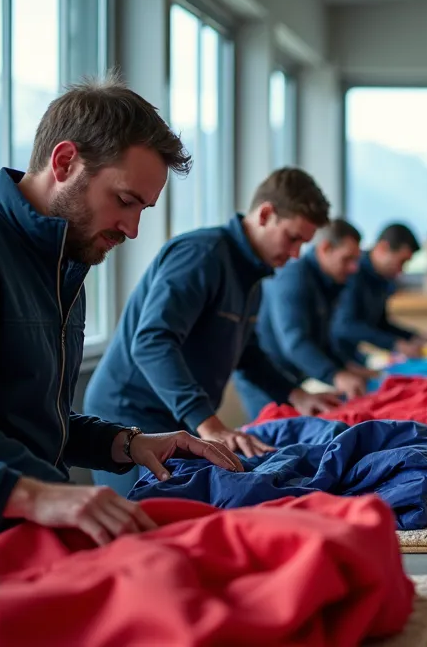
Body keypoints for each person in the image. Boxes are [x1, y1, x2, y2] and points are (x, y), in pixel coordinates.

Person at [0, 75, 242, 556]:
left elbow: (37, 423)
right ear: (64, 162)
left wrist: (127, 443)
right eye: (124, 201)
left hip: (34, 525)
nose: (133, 229)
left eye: (143, 209)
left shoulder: (65, 262)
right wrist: (59, 496)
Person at [85, 167, 342, 496]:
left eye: (302, 245)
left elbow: (247, 355)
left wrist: (297, 395)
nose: (295, 255)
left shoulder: (253, 279)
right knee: (140, 526)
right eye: (293, 238)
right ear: (265, 214)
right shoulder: (202, 255)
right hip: (127, 416)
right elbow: (151, 343)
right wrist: (210, 425)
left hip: (176, 419)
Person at [235, 218, 375, 420]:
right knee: (273, 437)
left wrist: (346, 367)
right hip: (266, 376)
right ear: (325, 248)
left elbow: (323, 340)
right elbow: (296, 341)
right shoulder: (294, 275)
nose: (354, 268)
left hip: (293, 377)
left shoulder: (327, 282)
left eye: (356, 260)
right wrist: (336, 375)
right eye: (347, 259)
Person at [330, 223, 427, 365]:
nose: (401, 270)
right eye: (401, 261)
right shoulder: (353, 272)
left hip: (353, 355)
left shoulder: (382, 279)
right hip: (334, 357)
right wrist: (396, 344)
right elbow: (346, 325)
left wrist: (414, 337)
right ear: (382, 248)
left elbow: (380, 323)